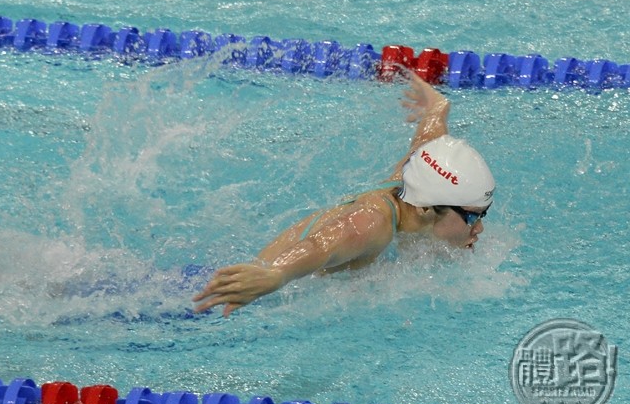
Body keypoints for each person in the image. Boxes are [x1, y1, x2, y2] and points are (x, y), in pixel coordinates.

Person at [192, 69, 495, 317]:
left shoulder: (414, 177)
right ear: (428, 209)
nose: (480, 228)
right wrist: (276, 276)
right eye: (471, 217)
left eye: (483, 214)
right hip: (234, 293)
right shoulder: (372, 223)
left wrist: (438, 107)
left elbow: (431, 135)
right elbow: (321, 245)